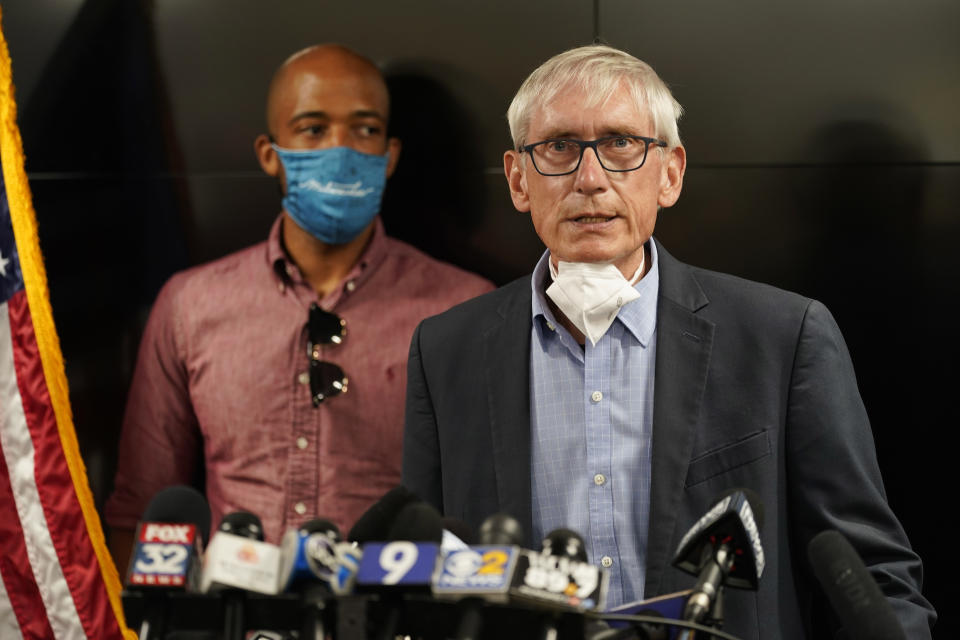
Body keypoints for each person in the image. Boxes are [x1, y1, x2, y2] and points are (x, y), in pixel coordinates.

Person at [401, 45, 935, 638]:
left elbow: (871, 573)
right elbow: (423, 581)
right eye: (559, 148)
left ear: (671, 174)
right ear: (518, 179)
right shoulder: (447, 350)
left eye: (621, 144)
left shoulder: (782, 337)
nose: (590, 179)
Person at [104, 44, 493, 563]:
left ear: (390, 154)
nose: (341, 150)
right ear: (270, 154)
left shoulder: (461, 306)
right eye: (313, 129)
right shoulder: (190, 304)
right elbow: (140, 513)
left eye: (365, 129)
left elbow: (485, 512)